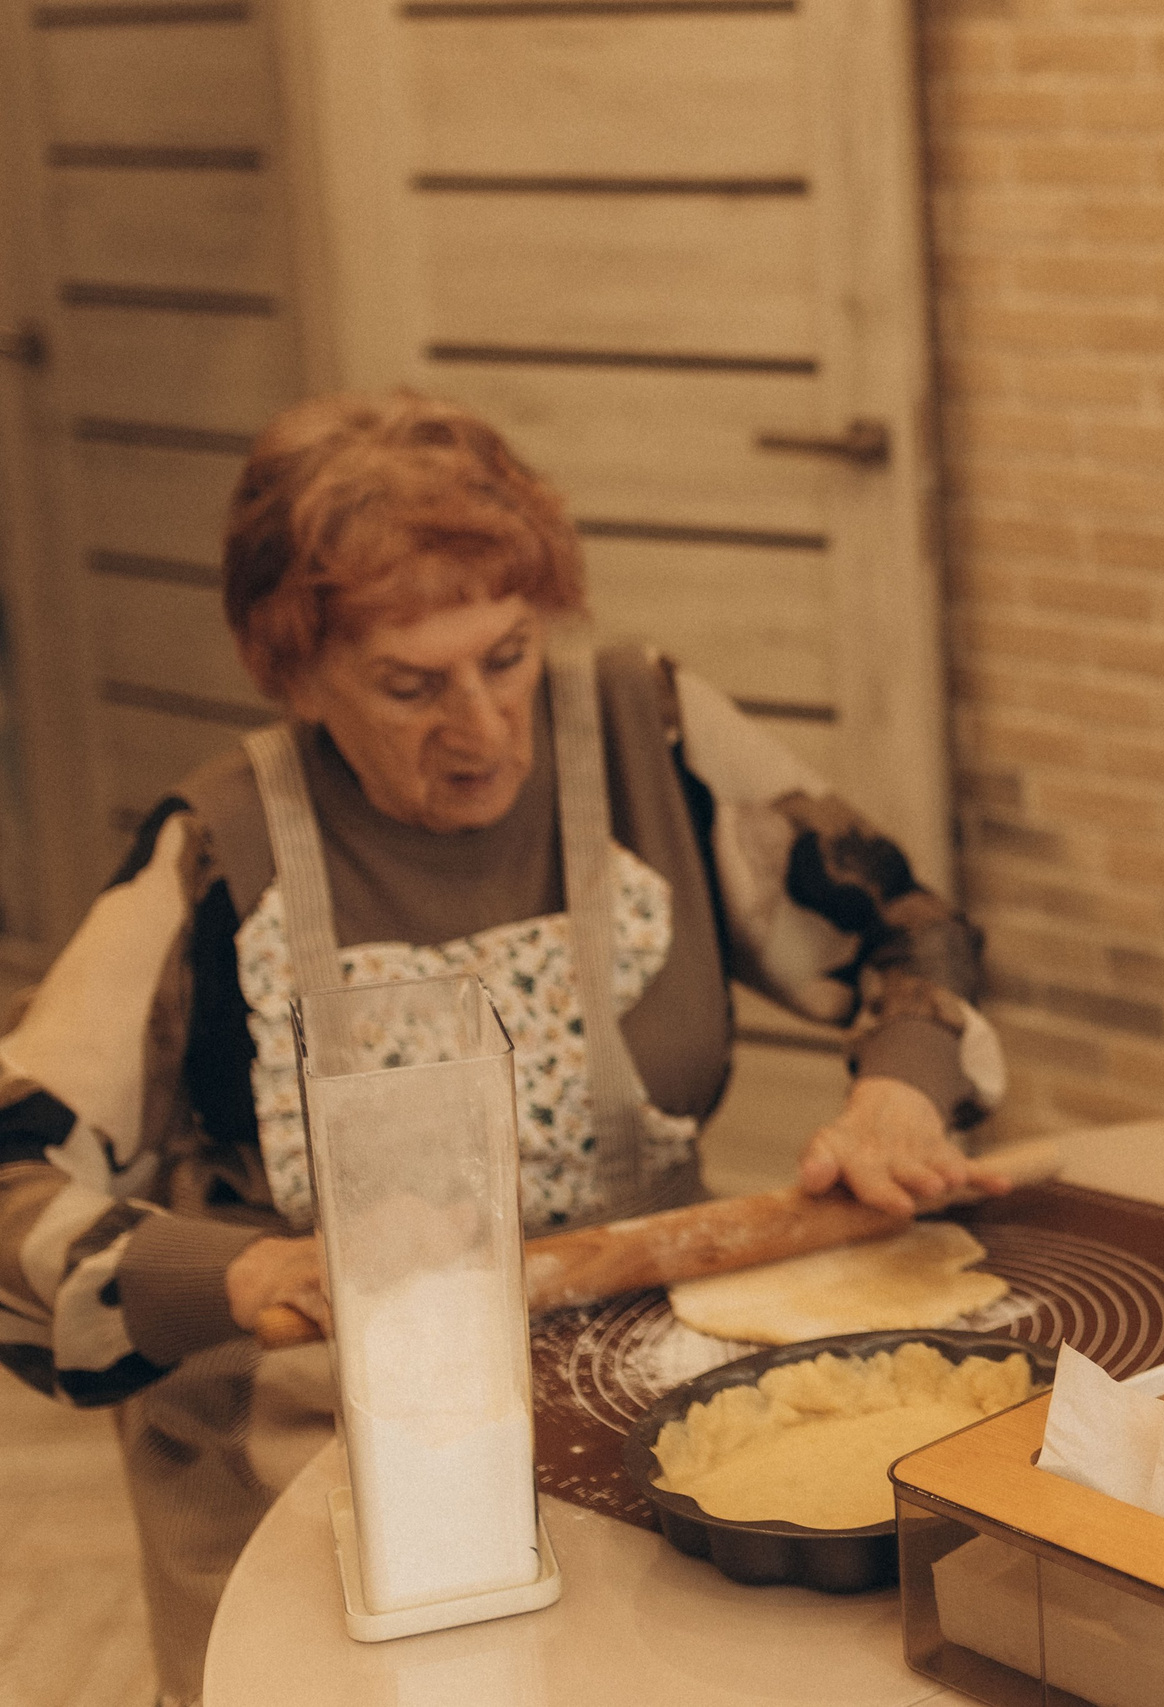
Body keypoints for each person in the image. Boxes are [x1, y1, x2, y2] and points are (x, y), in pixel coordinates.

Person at [0, 392, 1012, 1702]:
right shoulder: (215, 852)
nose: (482, 729)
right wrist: (236, 1269)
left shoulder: (650, 738)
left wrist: (898, 1095)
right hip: (318, 1463)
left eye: (508, 655)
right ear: (292, 671)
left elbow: (909, 931)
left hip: (652, 1419)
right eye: (409, 683)